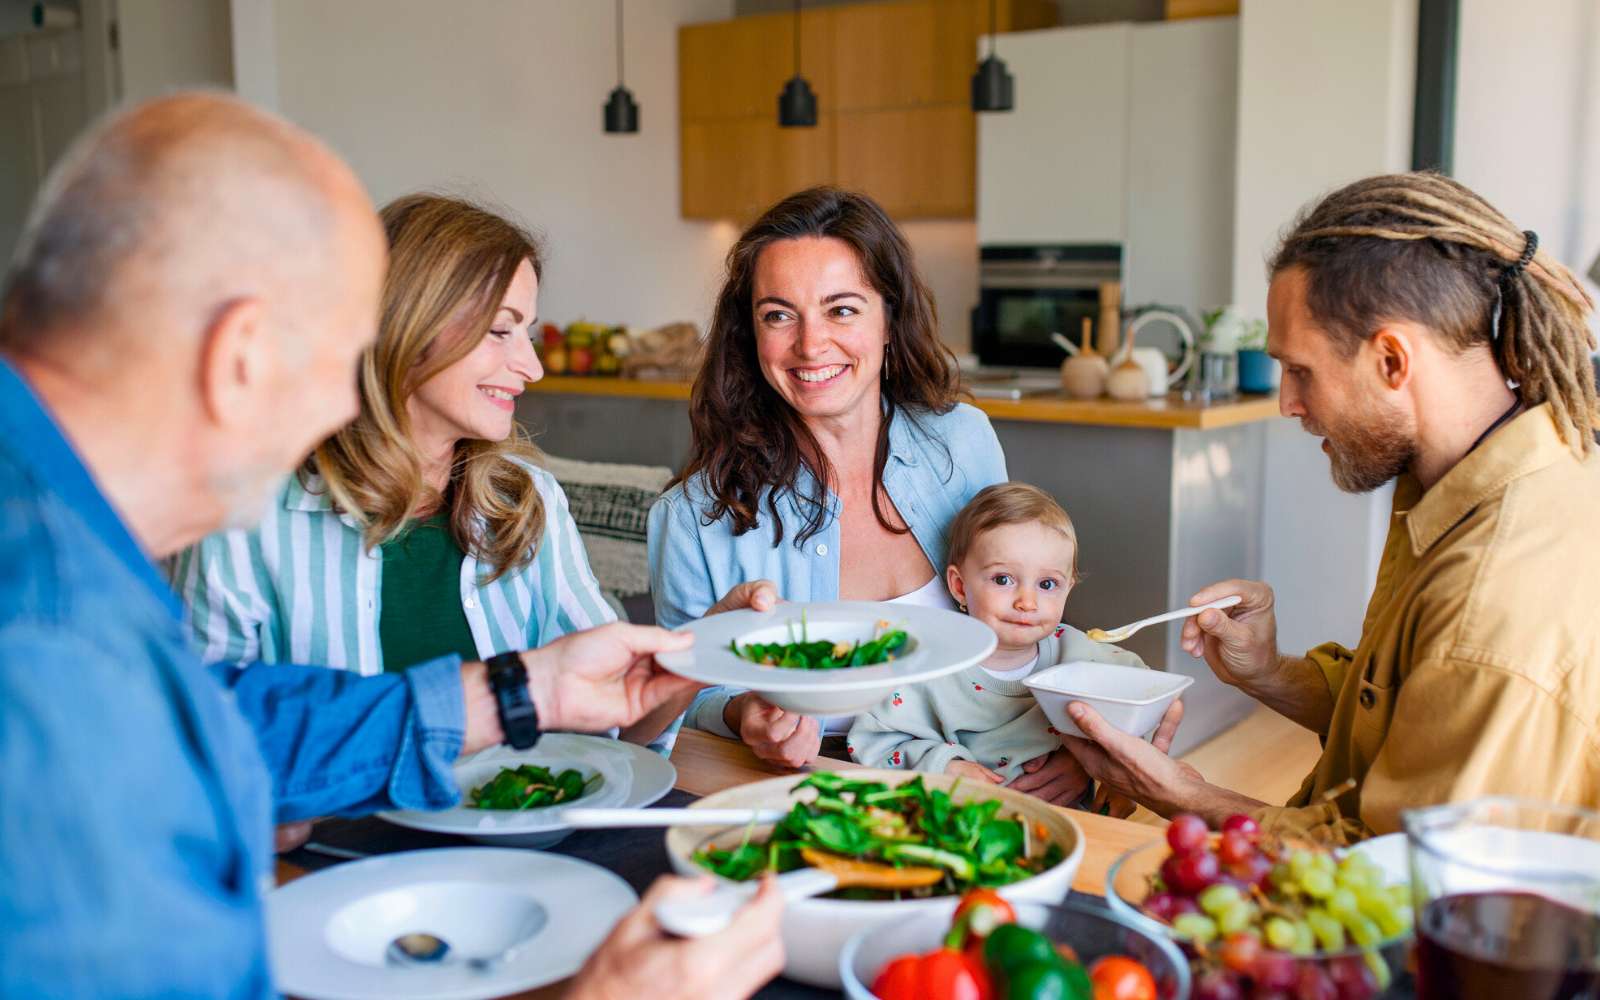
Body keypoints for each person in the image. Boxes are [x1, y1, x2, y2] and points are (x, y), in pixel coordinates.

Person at [0, 93, 781, 999]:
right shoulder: (48, 641)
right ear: (242, 354)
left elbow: (222, 716)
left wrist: (528, 690)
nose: (346, 406)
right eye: (340, 360)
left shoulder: (58, 536)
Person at [1059, 172, 1600, 839]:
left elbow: (1397, 881)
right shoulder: (1473, 477)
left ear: (1393, 360)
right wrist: (1270, 672)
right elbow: (1416, 717)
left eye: (1300, 370)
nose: (1286, 403)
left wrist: (1181, 795)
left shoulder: (1495, 599)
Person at [172, 194, 673, 754]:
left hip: (511, 834)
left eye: (527, 334)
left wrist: (693, 658)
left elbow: (616, 717)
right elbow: (193, 733)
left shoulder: (528, 500)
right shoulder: (248, 514)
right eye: (500, 331)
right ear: (409, 324)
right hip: (334, 842)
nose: (531, 368)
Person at [647, 188, 1095, 804]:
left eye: (842, 310)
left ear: (889, 318)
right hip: (810, 788)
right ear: (750, 336)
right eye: (779, 314)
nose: (811, 345)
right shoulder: (696, 516)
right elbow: (679, 696)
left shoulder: (963, 443)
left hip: (984, 768)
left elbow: (1025, 610)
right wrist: (743, 715)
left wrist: (1069, 742)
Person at [847, 483, 1168, 815]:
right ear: (959, 586)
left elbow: (1148, 697)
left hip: (1073, 827)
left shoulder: (1078, 654)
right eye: (1003, 579)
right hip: (960, 826)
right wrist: (944, 768)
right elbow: (874, 741)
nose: (1027, 602)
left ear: (1067, 589)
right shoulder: (930, 666)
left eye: (1047, 585)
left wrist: (1111, 773)